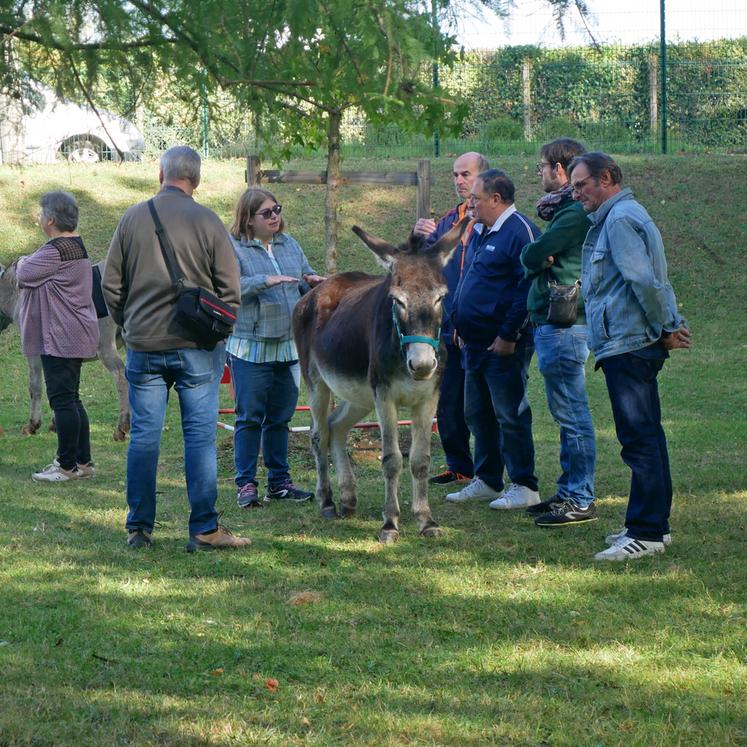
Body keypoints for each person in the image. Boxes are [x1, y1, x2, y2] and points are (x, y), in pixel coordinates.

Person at [103, 146, 250, 552]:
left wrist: (130, 322)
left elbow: (110, 286)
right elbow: (230, 290)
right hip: (197, 348)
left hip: (144, 346)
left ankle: (139, 529)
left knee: (145, 438)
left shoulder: (133, 218)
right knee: (199, 438)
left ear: (160, 172)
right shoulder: (208, 221)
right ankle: (204, 529)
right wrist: (217, 330)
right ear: (196, 180)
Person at [567, 151, 691, 561]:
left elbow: (645, 281)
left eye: (582, 184)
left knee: (639, 440)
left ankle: (647, 531)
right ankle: (651, 522)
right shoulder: (624, 215)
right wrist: (667, 325)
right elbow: (655, 279)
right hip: (630, 341)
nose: (577, 193)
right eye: (572, 187)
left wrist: (667, 326)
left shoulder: (619, 220)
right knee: (647, 437)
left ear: (606, 178)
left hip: (631, 343)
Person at [447, 169, 541, 509]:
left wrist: (508, 334)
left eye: (476, 199)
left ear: (497, 199)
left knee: (509, 413)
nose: (470, 204)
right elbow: (470, 279)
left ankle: (524, 484)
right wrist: (458, 322)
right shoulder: (480, 231)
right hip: (471, 342)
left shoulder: (521, 232)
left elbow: (527, 288)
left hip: (502, 345)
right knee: (477, 412)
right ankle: (487, 478)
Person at [227, 188, 324, 509]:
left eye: (277, 210)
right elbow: (228, 288)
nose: (274, 217)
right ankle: (245, 484)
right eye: (266, 213)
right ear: (248, 219)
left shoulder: (289, 244)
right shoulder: (233, 248)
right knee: (250, 418)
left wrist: (311, 281)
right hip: (251, 349)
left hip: (289, 347)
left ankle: (280, 482)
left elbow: (301, 275)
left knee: (280, 418)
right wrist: (263, 281)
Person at [520, 138, 598, 527]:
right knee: (566, 412)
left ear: (560, 170)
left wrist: (539, 257)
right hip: (555, 326)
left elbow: (532, 255)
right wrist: (539, 256)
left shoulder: (571, 216)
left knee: (572, 414)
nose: (541, 174)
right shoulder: (563, 213)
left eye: (544, 167)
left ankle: (581, 497)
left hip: (564, 325)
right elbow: (538, 255)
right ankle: (569, 491)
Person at [413, 152, 488, 488]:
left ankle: (491, 471)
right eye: (456, 175)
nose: (459, 180)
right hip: (447, 330)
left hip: (485, 329)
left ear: (484, 177)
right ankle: (459, 465)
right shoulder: (446, 221)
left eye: (466, 174)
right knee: (448, 402)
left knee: (483, 405)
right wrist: (418, 237)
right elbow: (420, 263)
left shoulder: (494, 219)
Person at [16, 191, 99, 482]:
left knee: (62, 401)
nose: (39, 218)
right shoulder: (76, 245)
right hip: (74, 332)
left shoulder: (55, 251)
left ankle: (66, 466)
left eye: (41, 214)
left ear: (50, 219)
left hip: (61, 336)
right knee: (72, 399)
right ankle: (83, 461)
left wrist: (24, 259)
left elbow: (23, 272)